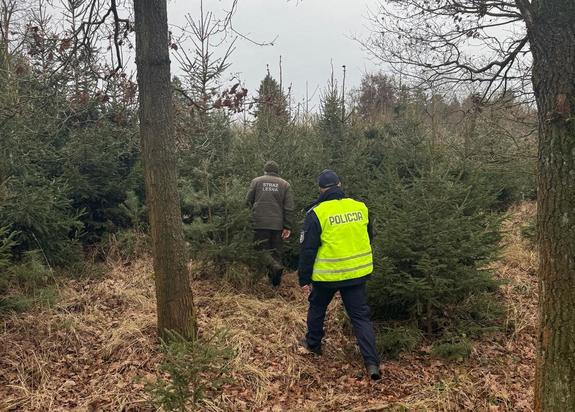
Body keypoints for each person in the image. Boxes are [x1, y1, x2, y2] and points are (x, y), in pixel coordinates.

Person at [298, 169, 381, 380]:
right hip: (356, 274)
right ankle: (372, 363)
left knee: (317, 307)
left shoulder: (316, 213)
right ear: (340, 184)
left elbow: (308, 250)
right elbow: (368, 236)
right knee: (361, 318)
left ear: (320, 189)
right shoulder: (360, 207)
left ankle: (313, 345)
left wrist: (304, 278)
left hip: (328, 276)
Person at [246, 161, 295, 286]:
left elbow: (248, 201)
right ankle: (275, 285)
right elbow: (288, 207)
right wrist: (287, 226)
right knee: (276, 252)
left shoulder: (256, 181)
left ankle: (273, 268)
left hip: (259, 222)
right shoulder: (285, 184)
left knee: (261, 249)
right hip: (277, 225)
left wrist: (247, 218)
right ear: (277, 172)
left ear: (265, 171)